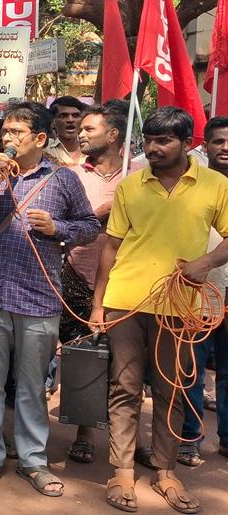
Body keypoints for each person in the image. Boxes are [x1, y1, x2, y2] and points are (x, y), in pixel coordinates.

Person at [0, 101, 98, 497]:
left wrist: (59, 227)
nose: (7, 139)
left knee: (33, 384)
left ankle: (33, 459)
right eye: (4, 133)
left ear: (40, 138)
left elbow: (88, 227)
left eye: (16, 133)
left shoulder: (64, 180)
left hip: (39, 295)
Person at [92, 107, 228, 515]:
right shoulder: (132, 187)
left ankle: (166, 470)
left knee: (172, 389)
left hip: (180, 305)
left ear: (189, 143)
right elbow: (111, 247)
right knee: (125, 386)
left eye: (163, 141)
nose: (153, 148)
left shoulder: (216, 185)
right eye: (149, 140)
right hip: (126, 301)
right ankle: (121, 471)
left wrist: (203, 264)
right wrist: (98, 303)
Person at [61, 102, 131, 466]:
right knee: (82, 357)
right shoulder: (70, 174)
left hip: (127, 280)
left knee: (127, 366)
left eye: (90, 129)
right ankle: (84, 430)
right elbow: (63, 222)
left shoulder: (140, 175)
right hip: (76, 275)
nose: (81, 134)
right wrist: (100, 214)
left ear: (115, 135)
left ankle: (128, 444)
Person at [178, 116, 228, 466]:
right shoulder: (189, 185)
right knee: (190, 370)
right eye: (218, 141)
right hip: (198, 293)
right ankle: (189, 438)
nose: (225, 147)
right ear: (205, 146)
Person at [47, 96, 87, 167]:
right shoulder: (44, 150)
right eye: (63, 116)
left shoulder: (92, 149)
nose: (70, 120)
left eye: (75, 115)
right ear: (53, 121)